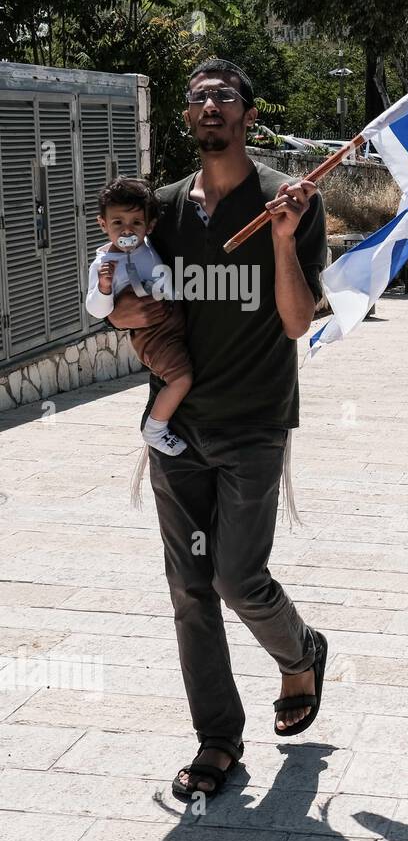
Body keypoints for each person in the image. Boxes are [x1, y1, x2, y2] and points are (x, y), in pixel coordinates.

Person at [128, 58, 330, 802]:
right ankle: (217, 738)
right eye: (197, 96)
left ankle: (301, 651)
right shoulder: (168, 210)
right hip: (177, 428)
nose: (209, 103)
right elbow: (129, 302)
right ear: (187, 116)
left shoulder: (288, 199)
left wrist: (282, 239)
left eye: (224, 95)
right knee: (190, 588)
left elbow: (297, 321)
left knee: (236, 576)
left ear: (248, 114)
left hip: (254, 424)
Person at [84, 177, 187, 456]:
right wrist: (104, 290)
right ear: (103, 225)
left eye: (135, 224)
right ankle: (155, 428)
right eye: (118, 223)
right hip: (150, 334)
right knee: (181, 378)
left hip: (172, 319)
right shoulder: (103, 264)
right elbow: (96, 310)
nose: (127, 230)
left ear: (149, 226)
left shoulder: (148, 247)